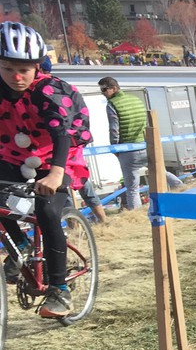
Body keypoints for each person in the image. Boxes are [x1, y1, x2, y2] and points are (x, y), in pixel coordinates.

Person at [0, 22, 93, 317]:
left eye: (24, 70)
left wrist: (55, 173)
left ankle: (59, 290)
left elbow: (61, 134)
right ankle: (22, 244)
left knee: (48, 211)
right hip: (15, 152)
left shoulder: (48, 90)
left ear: (37, 67)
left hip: (59, 154)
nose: (16, 77)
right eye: (7, 69)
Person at [98, 76, 183, 210]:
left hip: (127, 150)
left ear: (113, 88)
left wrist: (115, 148)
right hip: (145, 145)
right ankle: (182, 188)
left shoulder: (112, 104)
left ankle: (136, 213)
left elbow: (114, 129)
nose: (103, 93)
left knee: (132, 188)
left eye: (104, 90)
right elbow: (144, 122)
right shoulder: (136, 100)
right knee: (161, 171)